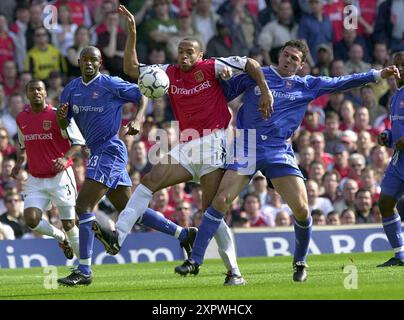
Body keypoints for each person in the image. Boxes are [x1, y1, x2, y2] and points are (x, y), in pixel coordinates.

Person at [174, 40, 399, 282]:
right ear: (280, 55)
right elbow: (221, 92)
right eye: (286, 55)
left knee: (302, 209)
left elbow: (342, 82)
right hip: (247, 145)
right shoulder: (256, 75)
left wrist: (377, 74)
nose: (288, 60)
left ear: (302, 65)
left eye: (294, 58)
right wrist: (221, 74)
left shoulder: (306, 85)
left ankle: (300, 262)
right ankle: (195, 260)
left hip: (278, 150)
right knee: (220, 201)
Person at [93, 5, 273, 286]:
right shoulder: (167, 73)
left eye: (190, 52)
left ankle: (234, 272)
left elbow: (251, 62)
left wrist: (265, 90)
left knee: (211, 213)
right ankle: (119, 235)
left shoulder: (211, 67)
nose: (185, 56)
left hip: (215, 144)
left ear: (200, 55)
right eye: (181, 52)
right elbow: (130, 69)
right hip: (187, 143)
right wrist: (132, 32)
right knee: (149, 180)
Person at [56, 46, 197, 286]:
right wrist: (61, 119)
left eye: (94, 59)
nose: (89, 63)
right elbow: (64, 126)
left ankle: (84, 270)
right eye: (85, 60)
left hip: (110, 149)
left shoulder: (111, 84)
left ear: (100, 62)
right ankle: (183, 234)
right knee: (131, 210)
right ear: (78, 62)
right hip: (96, 151)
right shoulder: (70, 90)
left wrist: (139, 118)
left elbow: (142, 94)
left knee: (83, 205)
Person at [11, 79, 85, 259]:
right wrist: (19, 162)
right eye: (32, 90)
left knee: (69, 224)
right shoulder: (21, 118)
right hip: (36, 178)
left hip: (60, 176)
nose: (36, 93)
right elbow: (23, 145)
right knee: (31, 219)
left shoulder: (58, 115)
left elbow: (78, 142)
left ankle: (84, 266)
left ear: (45, 93)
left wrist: (65, 157)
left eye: (39, 89)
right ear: (27, 94)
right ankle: (61, 238)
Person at [375, 51, 404, 267]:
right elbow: (397, 129)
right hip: (399, 159)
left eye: (402, 65)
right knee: (385, 203)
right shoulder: (395, 97)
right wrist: (387, 136)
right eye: (395, 65)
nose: (399, 69)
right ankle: (400, 255)